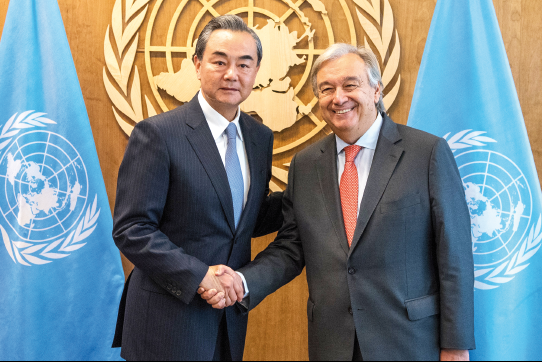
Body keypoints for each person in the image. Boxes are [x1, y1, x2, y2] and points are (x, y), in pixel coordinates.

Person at [202, 44, 475, 361]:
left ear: (376, 90)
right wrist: (243, 281)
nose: (338, 97)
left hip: (409, 342)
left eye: (350, 85)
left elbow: (454, 256)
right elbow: (292, 246)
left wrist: (455, 346)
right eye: (327, 89)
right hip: (333, 344)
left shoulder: (426, 153)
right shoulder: (305, 165)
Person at [111, 15, 283, 361]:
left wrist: (315, 191)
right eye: (220, 61)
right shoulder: (158, 134)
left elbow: (245, 219)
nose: (232, 74)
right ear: (198, 64)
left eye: (244, 64)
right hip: (166, 321)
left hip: (227, 320)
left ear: (256, 71)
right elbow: (132, 229)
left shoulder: (259, 138)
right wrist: (199, 275)